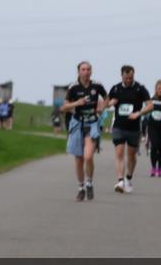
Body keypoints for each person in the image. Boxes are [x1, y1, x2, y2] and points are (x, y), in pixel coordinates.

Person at [60, 61, 107, 201]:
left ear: (91, 71)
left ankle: (89, 182)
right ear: (78, 72)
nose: (86, 72)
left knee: (88, 156)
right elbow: (64, 107)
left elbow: (107, 98)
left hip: (92, 124)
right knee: (79, 159)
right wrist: (77, 103)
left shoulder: (97, 85)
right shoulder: (73, 87)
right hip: (77, 123)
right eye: (83, 69)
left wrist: (102, 107)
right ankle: (81, 187)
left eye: (88, 69)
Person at [106, 65, 153, 194]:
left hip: (134, 128)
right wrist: (107, 104)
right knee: (119, 153)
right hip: (118, 126)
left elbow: (150, 105)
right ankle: (120, 180)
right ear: (121, 75)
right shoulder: (115, 88)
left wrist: (139, 114)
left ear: (134, 75)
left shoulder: (140, 88)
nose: (128, 80)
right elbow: (108, 103)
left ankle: (128, 178)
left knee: (131, 155)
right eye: (126, 78)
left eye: (130, 78)